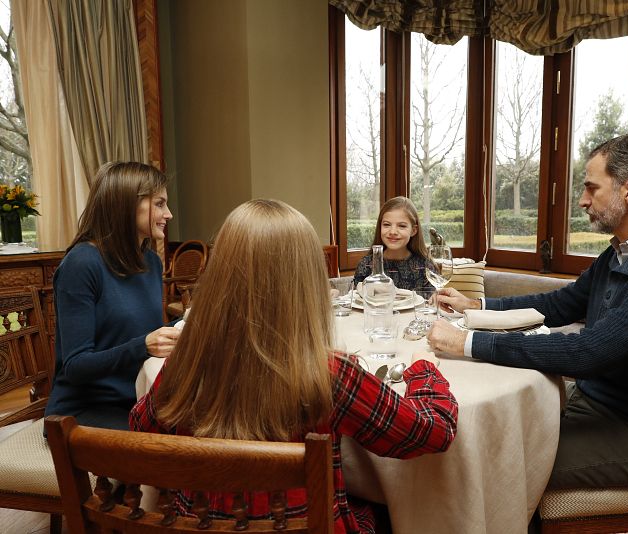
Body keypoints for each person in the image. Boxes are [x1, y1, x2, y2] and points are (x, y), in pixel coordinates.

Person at [131, 199, 457, 534]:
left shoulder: (185, 362)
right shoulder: (330, 374)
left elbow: (142, 430)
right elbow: (430, 432)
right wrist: (424, 372)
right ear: (307, 281)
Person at [428, 133, 628, 490]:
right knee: (484, 440)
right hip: (595, 406)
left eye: (591, 188)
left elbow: (591, 352)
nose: (582, 201)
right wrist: (477, 305)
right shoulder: (620, 253)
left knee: (496, 469)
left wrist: (467, 342)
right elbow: (558, 305)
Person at [45, 162, 180, 431]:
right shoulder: (82, 264)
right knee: (184, 450)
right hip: (81, 412)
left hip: (139, 399)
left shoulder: (151, 262)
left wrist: (188, 324)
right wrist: (143, 345)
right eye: (160, 203)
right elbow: (76, 366)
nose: (169, 214)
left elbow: (141, 334)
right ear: (128, 204)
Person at [353, 196, 434, 290]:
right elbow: (356, 299)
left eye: (401, 226)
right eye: (387, 224)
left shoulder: (425, 266)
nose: (393, 232)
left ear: (413, 230)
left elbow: (432, 302)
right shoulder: (366, 265)